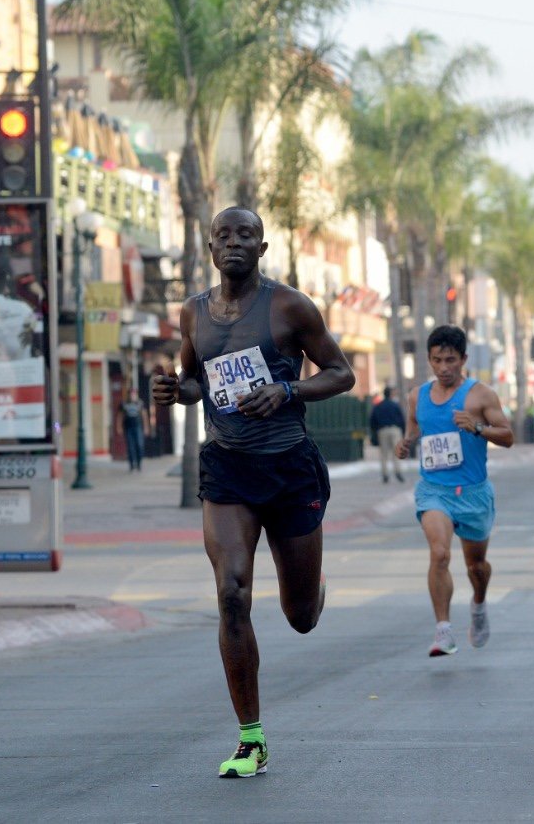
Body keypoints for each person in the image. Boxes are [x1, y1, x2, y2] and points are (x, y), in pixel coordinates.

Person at [150, 207, 354, 779]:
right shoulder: (193, 312)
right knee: (232, 593)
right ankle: (251, 737)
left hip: (289, 467)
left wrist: (287, 390)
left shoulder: (290, 306)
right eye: (224, 235)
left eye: (246, 235)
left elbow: (341, 373)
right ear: (210, 248)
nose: (234, 243)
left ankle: (312, 590)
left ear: (262, 248)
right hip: (228, 468)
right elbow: (196, 380)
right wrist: (174, 388)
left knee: (300, 616)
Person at [395, 324, 513, 657]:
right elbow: (414, 429)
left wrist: (477, 427)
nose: (444, 368)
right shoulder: (417, 395)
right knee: (440, 554)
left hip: (473, 492)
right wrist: (405, 445)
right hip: (434, 490)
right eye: (437, 360)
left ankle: (478, 604)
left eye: (450, 360)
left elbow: (508, 436)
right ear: (429, 360)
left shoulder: (481, 395)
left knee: (476, 566)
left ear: (463, 359)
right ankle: (443, 631)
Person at [368, 385, 406, 483]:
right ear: (391, 394)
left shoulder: (378, 406)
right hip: (395, 430)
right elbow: (402, 419)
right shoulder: (395, 405)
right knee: (396, 453)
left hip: (382, 431)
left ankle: (385, 475)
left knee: (384, 454)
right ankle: (398, 472)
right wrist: (403, 432)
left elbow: (372, 420)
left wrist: (375, 432)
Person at [115, 387, 149, 472]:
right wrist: (119, 427)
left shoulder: (140, 403)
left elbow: (144, 416)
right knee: (130, 447)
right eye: (131, 394)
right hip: (128, 427)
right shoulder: (124, 404)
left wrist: (146, 427)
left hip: (138, 427)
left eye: (134, 394)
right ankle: (131, 464)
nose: (132, 396)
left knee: (139, 445)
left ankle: (139, 463)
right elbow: (120, 416)